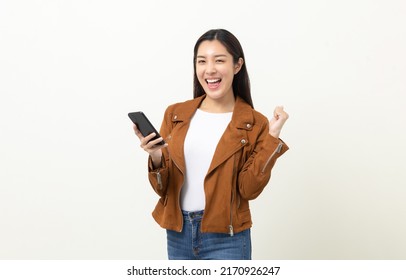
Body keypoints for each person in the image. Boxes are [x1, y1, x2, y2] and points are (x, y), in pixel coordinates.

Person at [132, 29, 289, 260]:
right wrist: (155, 155)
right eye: (202, 61)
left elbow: (249, 189)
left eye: (219, 60)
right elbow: (162, 188)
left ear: (237, 65)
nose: (210, 69)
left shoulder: (254, 123)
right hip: (178, 234)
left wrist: (272, 138)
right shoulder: (176, 115)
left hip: (228, 239)